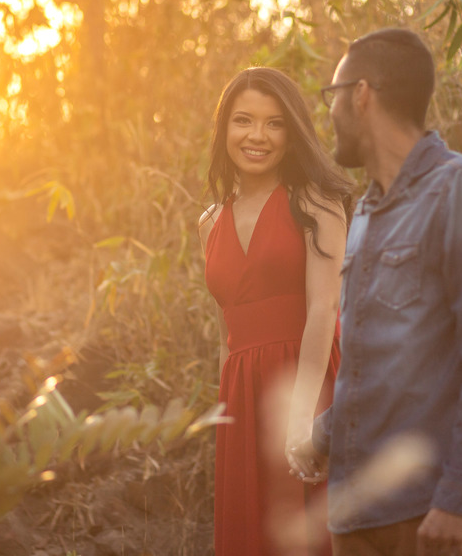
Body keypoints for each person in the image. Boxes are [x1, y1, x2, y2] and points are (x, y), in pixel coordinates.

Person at [288, 28, 462, 556]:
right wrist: (322, 436)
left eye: (333, 96)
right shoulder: (366, 215)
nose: (328, 113)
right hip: (357, 513)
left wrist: (460, 497)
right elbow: (380, 368)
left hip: (437, 513)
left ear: (362, 94)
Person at [200, 66, 354, 556]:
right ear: (224, 128)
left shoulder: (316, 201)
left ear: (293, 132)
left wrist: (302, 418)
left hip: (310, 385)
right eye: (243, 121)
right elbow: (228, 334)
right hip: (241, 396)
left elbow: (323, 309)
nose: (257, 136)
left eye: (274, 123)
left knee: (317, 536)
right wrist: (224, 422)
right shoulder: (209, 222)